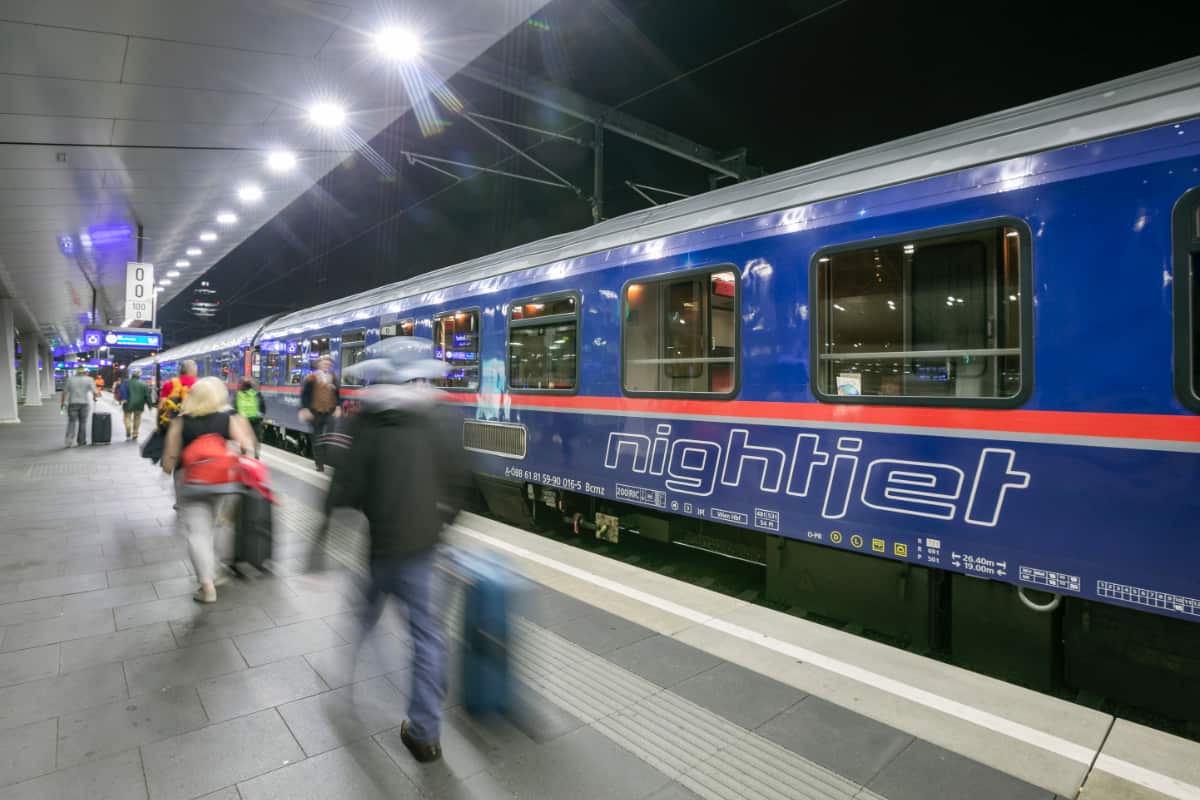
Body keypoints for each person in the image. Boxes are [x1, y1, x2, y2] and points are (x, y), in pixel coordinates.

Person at [326, 337, 467, 764]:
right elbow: (462, 484)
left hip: (381, 549)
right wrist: (440, 526)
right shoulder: (438, 418)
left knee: (365, 615)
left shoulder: (364, 421)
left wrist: (326, 536)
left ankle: (352, 683)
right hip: (424, 549)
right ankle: (425, 734)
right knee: (427, 637)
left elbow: (344, 488)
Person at [161, 377, 257, 604]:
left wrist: (168, 470)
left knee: (197, 532)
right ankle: (215, 567)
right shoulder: (229, 418)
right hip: (222, 481)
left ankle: (207, 586)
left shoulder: (180, 422)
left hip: (190, 482)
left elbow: (169, 460)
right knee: (214, 525)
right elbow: (248, 448)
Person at [300, 356, 341, 472]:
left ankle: (325, 458)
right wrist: (305, 408)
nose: (326, 365)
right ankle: (319, 464)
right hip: (315, 412)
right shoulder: (311, 378)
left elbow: (337, 394)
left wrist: (338, 406)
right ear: (319, 364)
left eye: (328, 364)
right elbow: (305, 394)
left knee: (329, 436)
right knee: (317, 438)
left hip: (329, 412)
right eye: (324, 363)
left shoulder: (333, 377)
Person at [60, 367, 98, 447]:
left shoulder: (70, 379)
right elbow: (95, 392)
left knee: (71, 422)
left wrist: (62, 403)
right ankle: (81, 441)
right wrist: (95, 397)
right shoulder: (89, 379)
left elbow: (64, 392)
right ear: (84, 372)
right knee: (83, 423)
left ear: (76, 372)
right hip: (84, 404)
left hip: (72, 403)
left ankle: (69, 440)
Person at [158, 360, 198, 430]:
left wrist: (159, 427)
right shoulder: (200, 385)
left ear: (180, 371)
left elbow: (161, 406)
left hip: (172, 426)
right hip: (194, 427)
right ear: (194, 371)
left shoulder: (169, 384)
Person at [235, 378, 266, 458]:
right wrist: (261, 417)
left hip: (243, 420)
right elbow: (262, 406)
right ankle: (256, 454)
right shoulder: (256, 393)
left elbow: (235, 407)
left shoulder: (239, 394)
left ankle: (243, 454)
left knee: (243, 437)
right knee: (256, 437)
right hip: (255, 420)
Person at [122, 369, 154, 441]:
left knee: (127, 418)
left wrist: (123, 399)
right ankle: (135, 433)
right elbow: (147, 396)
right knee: (137, 418)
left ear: (132, 375)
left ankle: (128, 430)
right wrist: (150, 405)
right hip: (139, 404)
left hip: (128, 404)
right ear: (140, 375)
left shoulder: (126, 382)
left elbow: (122, 391)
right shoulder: (143, 384)